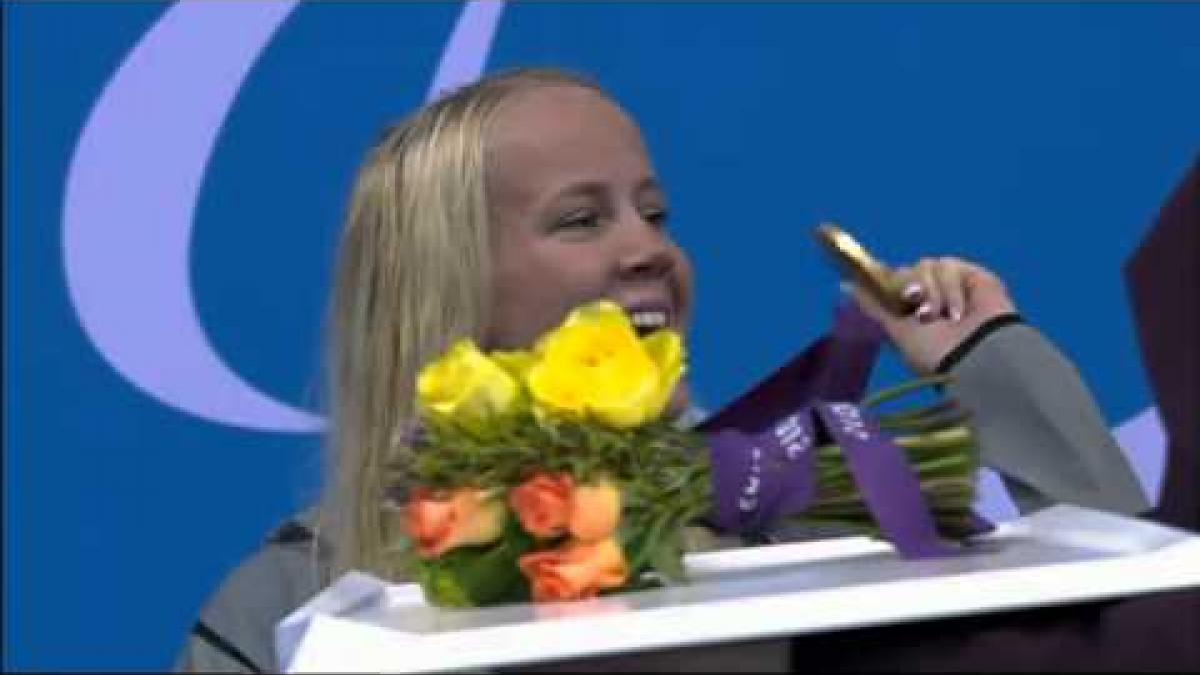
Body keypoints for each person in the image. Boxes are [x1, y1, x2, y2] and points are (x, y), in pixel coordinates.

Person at [173, 68, 1149, 673]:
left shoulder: (802, 522)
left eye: (655, 211)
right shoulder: (290, 603)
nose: (649, 250)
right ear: (446, 282)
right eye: (582, 218)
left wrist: (988, 362)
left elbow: (1132, 627)